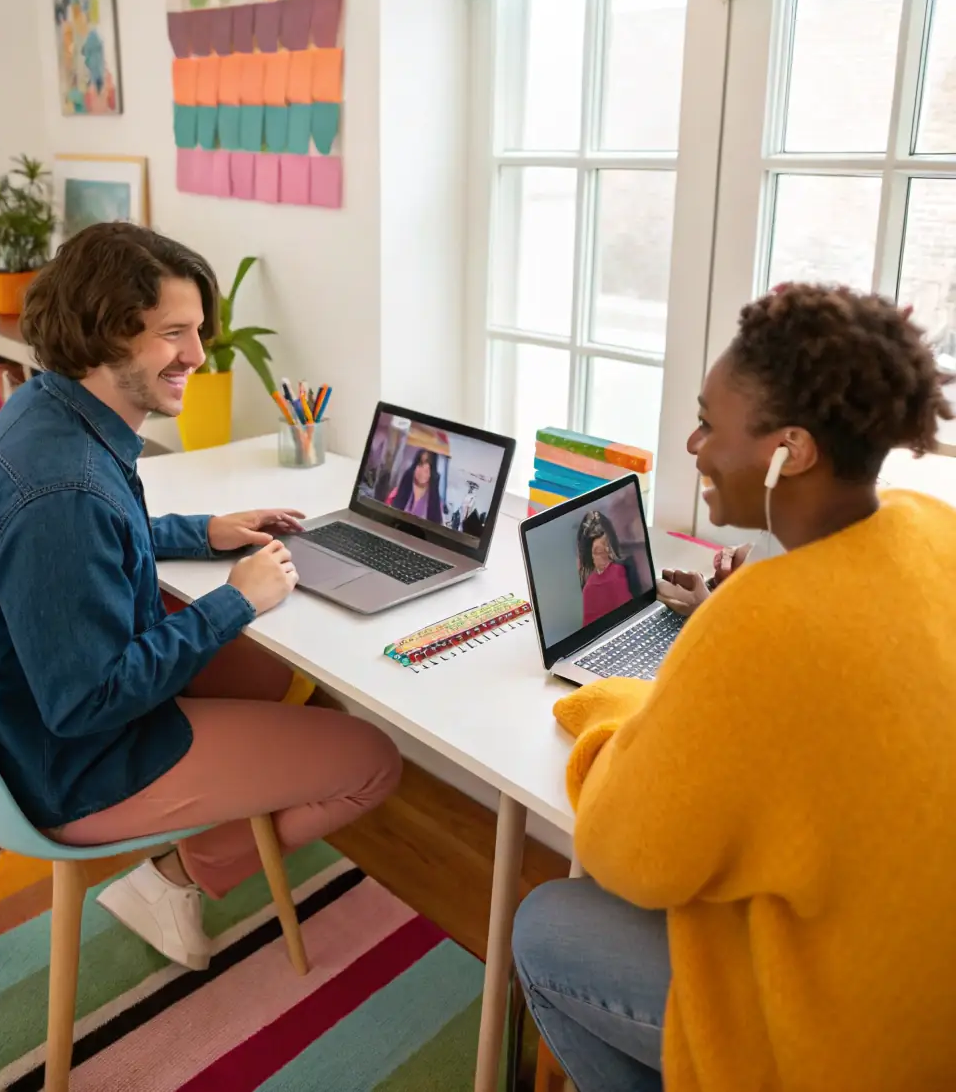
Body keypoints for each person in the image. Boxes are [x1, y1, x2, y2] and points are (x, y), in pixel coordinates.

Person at [512, 284, 956, 1092]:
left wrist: (617, 704)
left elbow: (624, 851)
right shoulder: (932, 525)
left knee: (545, 924)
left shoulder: (759, 620)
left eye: (709, 424)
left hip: (849, 1055)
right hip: (928, 1000)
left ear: (791, 449)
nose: (694, 445)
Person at [0, 223, 401, 971]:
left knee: (281, 680)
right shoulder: (65, 491)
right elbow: (87, 702)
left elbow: (95, 541)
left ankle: (212, 822)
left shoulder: (48, 410)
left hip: (20, 711)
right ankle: (172, 878)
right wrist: (233, 602)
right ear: (104, 334)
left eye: (198, 331)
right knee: (371, 759)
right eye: (173, 334)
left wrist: (203, 532)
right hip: (72, 760)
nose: (199, 355)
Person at [577, 511, 633, 626]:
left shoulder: (620, 571)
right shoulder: (592, 587)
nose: (607, 555)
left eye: (608, 547)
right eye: (599, 552)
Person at [385, 448, 444, 523]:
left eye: (428, 466)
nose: (423, 470)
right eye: (420, 464)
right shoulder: (396, 493)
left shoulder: (436, 504)